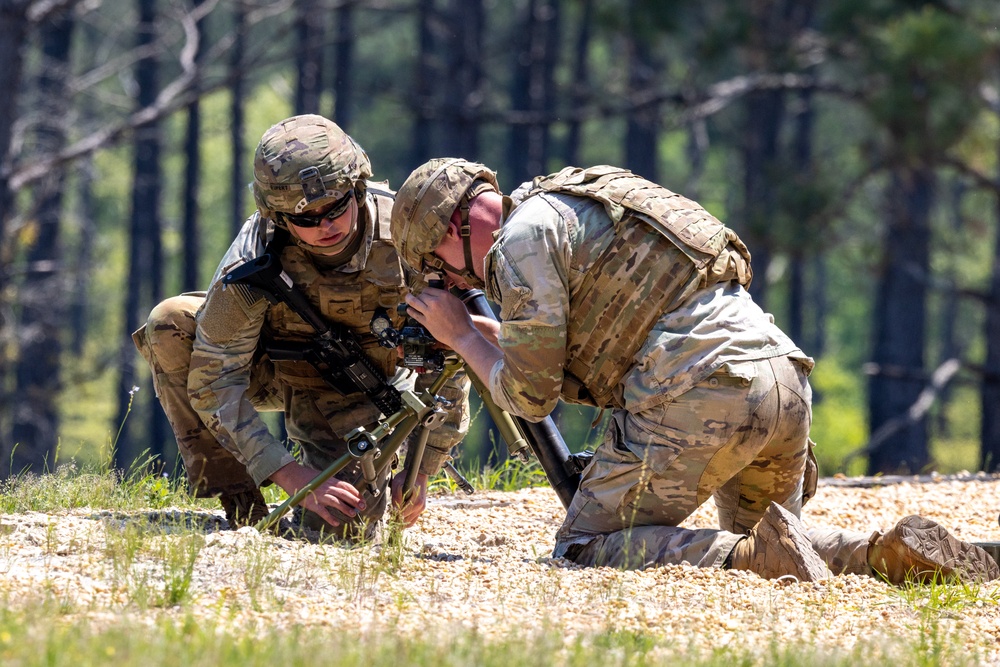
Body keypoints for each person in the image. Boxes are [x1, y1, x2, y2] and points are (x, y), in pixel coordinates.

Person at [388, 157, 999, 584]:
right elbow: (610, 323)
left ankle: (754, 561)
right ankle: (891, 554)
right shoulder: (574, 203)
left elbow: (531, 396)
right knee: (774, 537)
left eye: (440, 267)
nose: (454, 282)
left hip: (701, 393)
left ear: (451, 228)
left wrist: (462, 333)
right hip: (779, 379)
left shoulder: (520, 242)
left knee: (587, 547)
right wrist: (492, 335)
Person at [132, 116, 469, 538]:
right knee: (169, 324)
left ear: (357, 188)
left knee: (341, 528)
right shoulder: (256, 256)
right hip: (270, 367)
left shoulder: (409, 239)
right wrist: (291, 477)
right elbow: (214, 377)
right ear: (277, 214)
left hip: (359, 391)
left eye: (336, 208)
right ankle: (239, 497)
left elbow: (453, 355)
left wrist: (422, 469)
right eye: (305, 218)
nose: (325, 226)